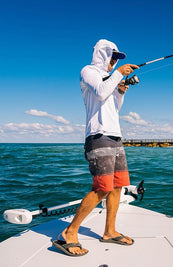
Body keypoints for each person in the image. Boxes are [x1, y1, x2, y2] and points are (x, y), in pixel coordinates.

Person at [52, 39, 139, 256]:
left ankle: (109, 231)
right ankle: (69, 232)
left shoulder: (110, 77)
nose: (114, 61)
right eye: (113, 56)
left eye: (117, 58)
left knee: (117, 186)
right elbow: (100, 92)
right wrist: (118, 74)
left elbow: (113, 107)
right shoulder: (88, 71)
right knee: (102, 187)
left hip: (115, 136)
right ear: (103, 54)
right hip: (98, 136)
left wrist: (121, 91)